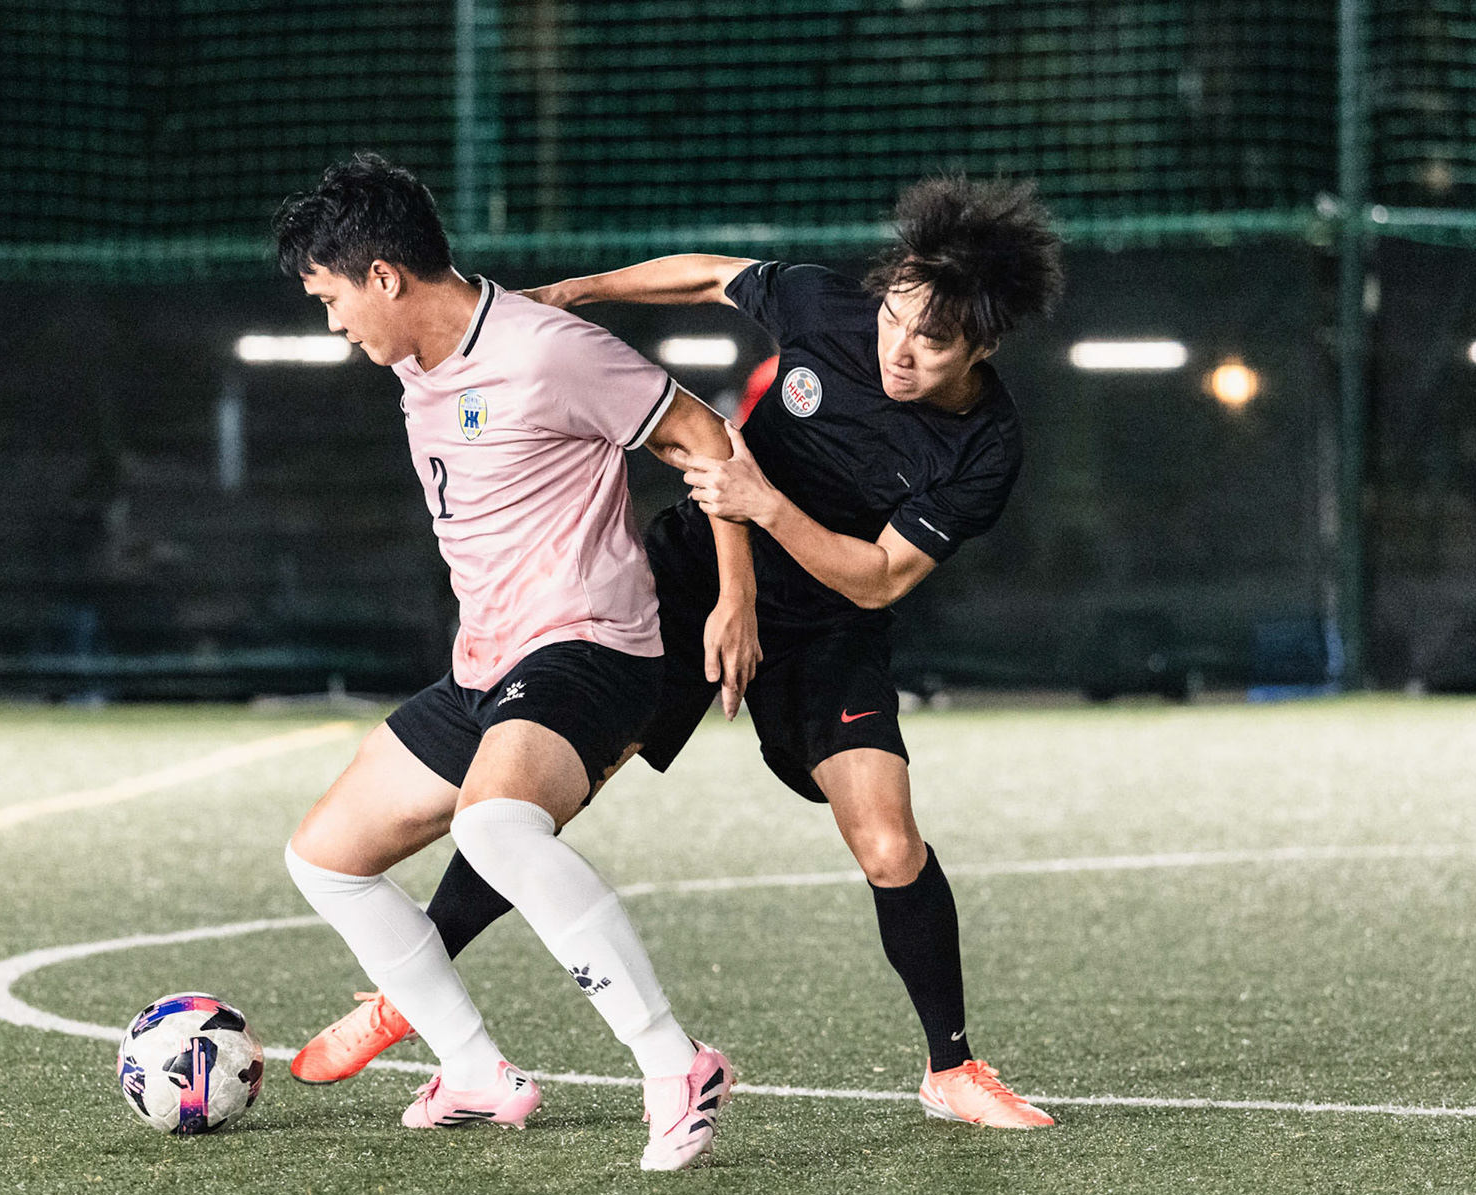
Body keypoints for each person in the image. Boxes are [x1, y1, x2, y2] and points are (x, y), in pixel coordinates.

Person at [345, 175, 1067, 1130]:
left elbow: (880, 578)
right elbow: (708, 276)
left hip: (829, 627)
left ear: (983, 343)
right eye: (894, 316)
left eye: (931, 340)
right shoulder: (827, 308)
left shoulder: (986, 446)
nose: (897, 348)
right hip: (689, 580)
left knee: (890, 841)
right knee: (547, 783)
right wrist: (575, 291)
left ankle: (952, 1068)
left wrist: (766, 504)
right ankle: (410, 989)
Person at [272, 154, 760, 1170]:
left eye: (331, 298)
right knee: (324, 859)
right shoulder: (415, 362)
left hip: (592, 646)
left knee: (494, 825)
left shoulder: (546, 351)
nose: (334, 323)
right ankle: (474, 1072)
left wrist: (736, 599)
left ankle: (676, 1064)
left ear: (384, 277)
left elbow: (707, 437)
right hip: (486, 667)